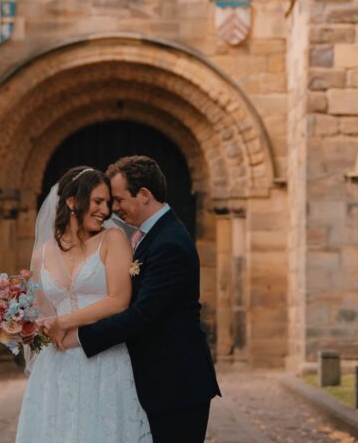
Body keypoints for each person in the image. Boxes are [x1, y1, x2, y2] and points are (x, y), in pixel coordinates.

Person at [48, 155, 221, 443]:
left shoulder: (169, 244)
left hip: (176, 383)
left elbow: (142, 316)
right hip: (157, 381)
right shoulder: (150, 236)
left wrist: (78, 336)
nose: (113, 208)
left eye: (118, 199)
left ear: (144, 195)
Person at [15, 166, 152, 442]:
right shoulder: (42, 254)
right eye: (97, 202)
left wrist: (63, 322)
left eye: (108, 203)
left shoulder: (112, 240)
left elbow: (119, 300)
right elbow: (41, 311)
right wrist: (21, 324)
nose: (105, 211)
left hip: (104, 357)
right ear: (71, 202)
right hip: (56, 364)